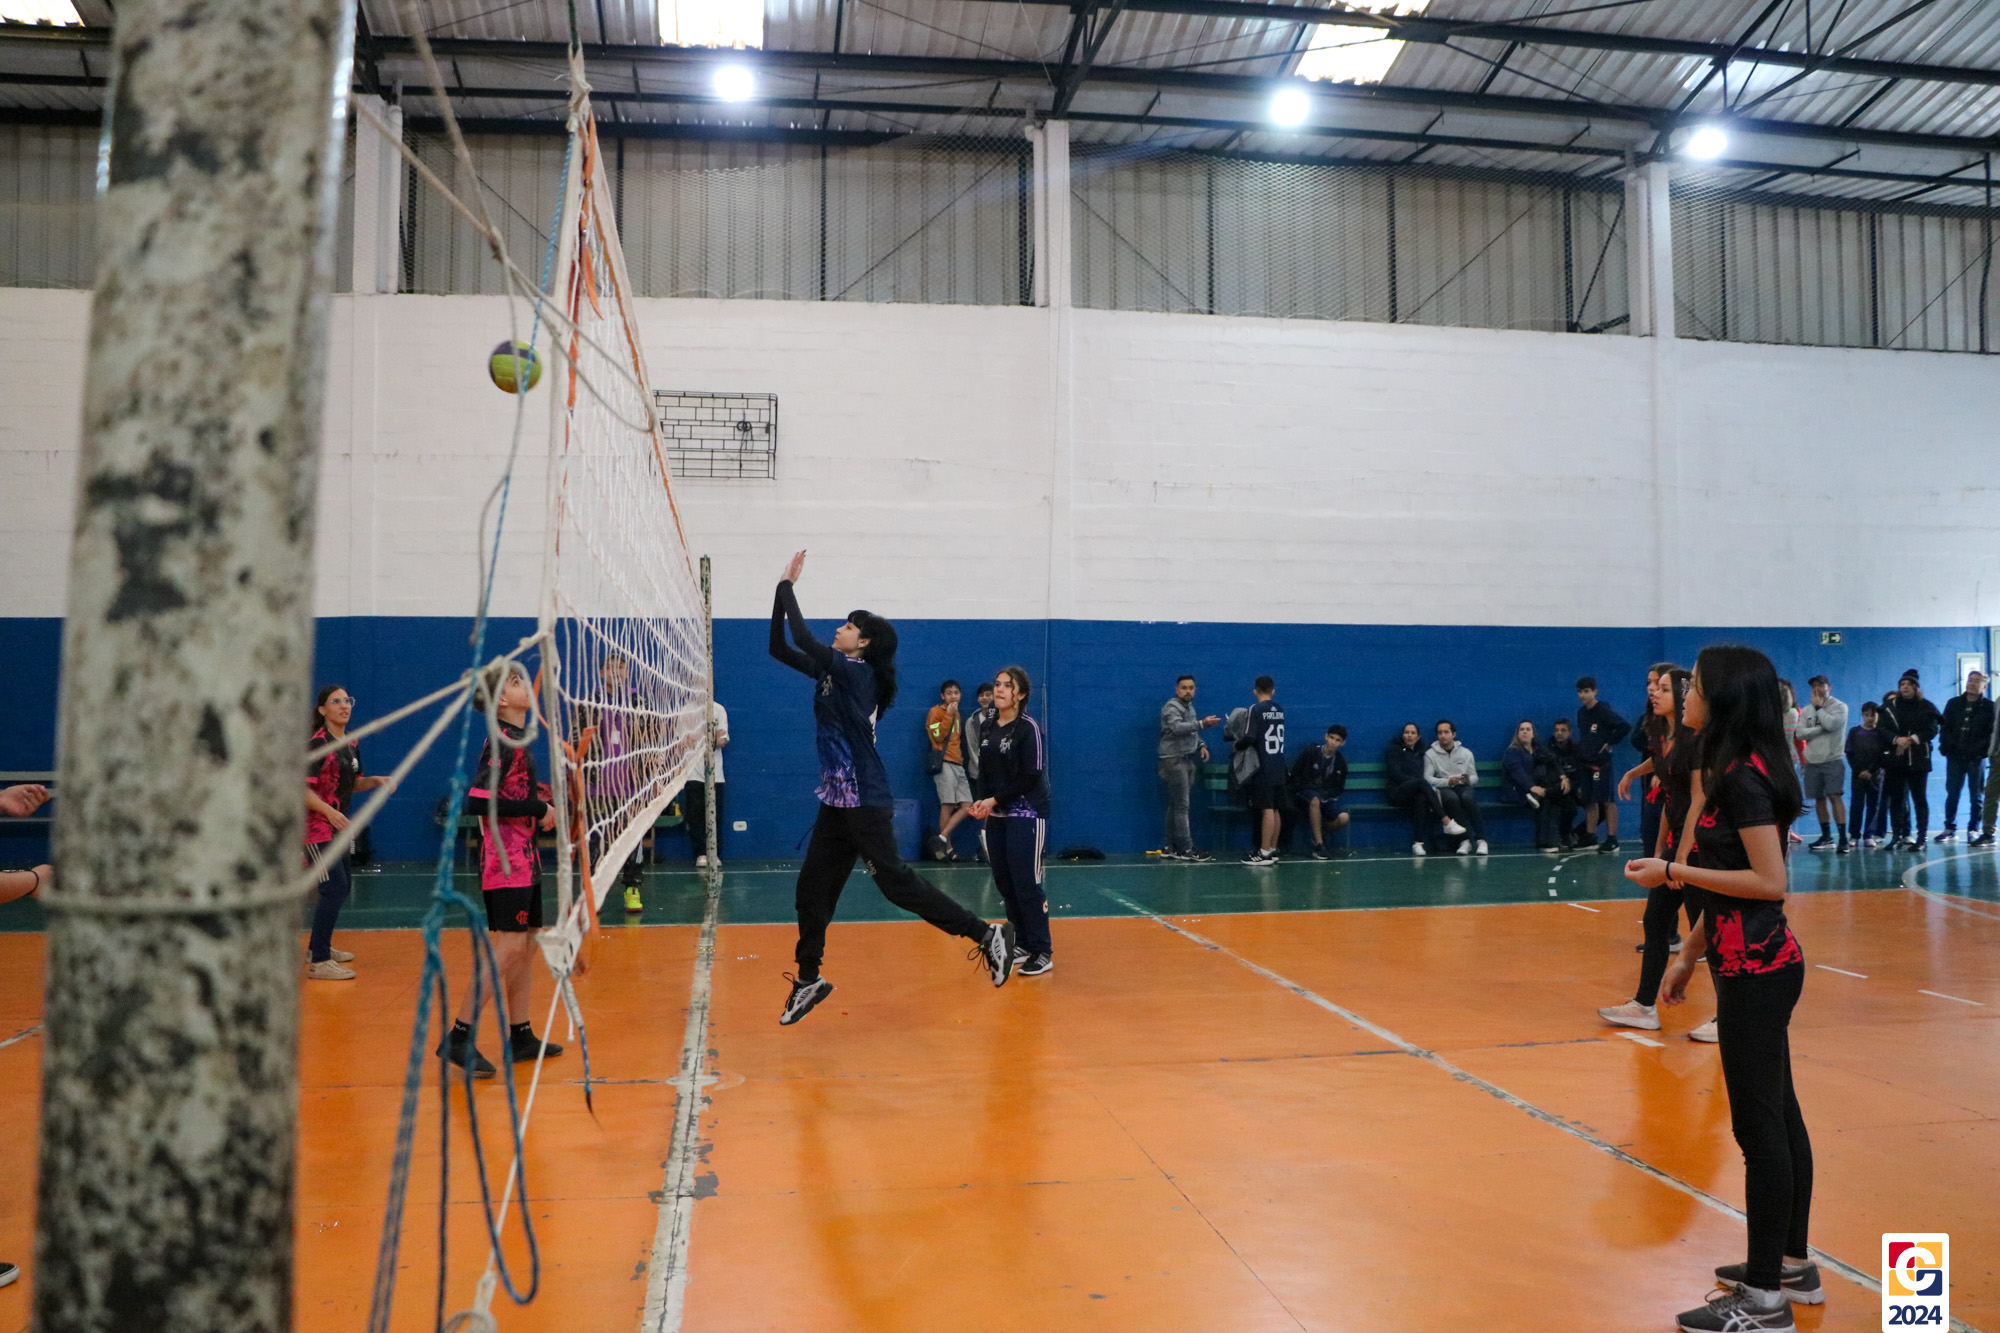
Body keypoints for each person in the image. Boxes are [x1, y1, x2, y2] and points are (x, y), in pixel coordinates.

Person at [1631, 645, 1814, 1332]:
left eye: (1696, 687)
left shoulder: (1741, 778)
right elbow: (1734, 889)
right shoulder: (1736, 764)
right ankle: (1791, 1264)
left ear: (1724, 698)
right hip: (1745, 963)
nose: (1685, 694)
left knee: (1759, 1130)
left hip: (1759, 972)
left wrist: (1674, 873)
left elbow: (1768, 882)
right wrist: (1687, 957)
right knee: (1779, 1116)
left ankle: (1765, 1300)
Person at [768, 551, 1014, 1026]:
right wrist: (780, 596)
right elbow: (779, 647)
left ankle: (987, 936)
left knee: (896, 884)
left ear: (863, 643)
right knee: (811, 890)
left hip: (863, 797)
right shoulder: (832, 673)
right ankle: (809, 978)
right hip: (836, 801)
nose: (839, 629)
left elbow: (801, 637)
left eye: (847, 626)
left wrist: (786, 585)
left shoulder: (857, 673)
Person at [438, 662, 564, 1077]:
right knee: (509, 947)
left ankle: (521, 1036)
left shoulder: (518, 740)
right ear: (502, 700)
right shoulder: (502, 741)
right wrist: (537, 807)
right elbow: (477, 800)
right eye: (514, 681)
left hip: (526, 858)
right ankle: (459, 1036)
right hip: (505, 861)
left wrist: (539, 805)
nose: (524, 684)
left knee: (526, 944)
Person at [1599, 667, 1711, 1036]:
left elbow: (1698, 798)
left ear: (1682, 694)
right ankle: (1644, 1006)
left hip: (1699, 847)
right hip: (1676, 846)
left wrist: (1680, 859)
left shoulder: (1696, 739)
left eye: (1662, 688)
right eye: (1652, 686)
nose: (1653, 693)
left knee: (1706, 931)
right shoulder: (1662, 734)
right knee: (1655, 922)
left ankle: (1730, 1018)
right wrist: (1663, 851)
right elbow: (1669, 794)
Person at [303, 685, 394, 980]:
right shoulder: (317, 744)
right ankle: (319, 961)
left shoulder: (351, 744)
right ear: (322, 710)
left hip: (336, 827)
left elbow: (353, 784)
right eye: (336, 702)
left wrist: (375, 781)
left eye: (347, 701)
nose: (344, 706)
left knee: (342, 886)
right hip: (314, 829)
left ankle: (319, 947)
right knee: (333, 887)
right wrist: (328, 811)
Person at [968, 666, 1052, 976]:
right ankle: (1023, 942)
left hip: (1026, 814)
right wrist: (982, 800)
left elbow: (1031, 776)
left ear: (1021, 694)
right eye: (997, 684)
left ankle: (1042, 949)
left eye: (1007, 685)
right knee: (1005, 883)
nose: (999, 690)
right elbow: (984, 770)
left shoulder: (1029, 729)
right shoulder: (988, 725)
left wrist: (995, 800)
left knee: (1026, 882)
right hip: (997, 815)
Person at [581, 654, 652, 915]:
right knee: (596, 842)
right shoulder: (591, 701)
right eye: (610, 667)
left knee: (632, 840)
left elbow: (650, 740)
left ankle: (632, 889)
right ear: (601, 673)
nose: (616, 671)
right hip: (597, 786)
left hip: (631, 786)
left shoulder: (638, 701)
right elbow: (579, 740)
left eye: (621, 667)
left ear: (627, 672)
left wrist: (650, 776)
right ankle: (594, 893)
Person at [1620, 664, 1681, 864]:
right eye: (1650, 683)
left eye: (1662, 687)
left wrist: (1664, 772)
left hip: (1681, 809)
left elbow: (1697, 794)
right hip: (1660, 802)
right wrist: (1632, 773)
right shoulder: (1655, 720)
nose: (1652, 689)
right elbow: (1658, 757)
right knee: (1653, 851)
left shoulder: (1690, 729)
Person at [1158, 675, 1221, 863]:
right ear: (1177, 690)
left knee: (1176, 804)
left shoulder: (1190, 707)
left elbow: (1191, 731)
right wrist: (1202, 723)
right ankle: (1187, 849)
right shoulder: (1171, 708)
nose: (1188, 691)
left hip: (1186, 758)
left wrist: (1201, 745)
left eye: (1191, 688)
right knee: (1182, 806)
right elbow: (1177, 728)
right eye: (1184, 688)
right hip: (1173, 760)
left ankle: (1169, 847)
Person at [1879, 669, 1940, 851]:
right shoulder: (1889, 706)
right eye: (1902, 684)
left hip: (1918, 760)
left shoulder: (1926, 706)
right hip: (1896, 759)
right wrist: (1896, 739)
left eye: (1908, 684)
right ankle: (1897, 836)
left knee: (1919, 799)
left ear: (1915, 687)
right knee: (1896, 799)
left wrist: (1912, 739)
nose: (1904, 687)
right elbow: (1882, 728)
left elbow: (1932, 729)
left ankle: (1921, 838)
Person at [1793, 676, 1849, 854]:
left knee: (1835, 796)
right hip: (1812, 761)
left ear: (1829, 687)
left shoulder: (1840, 707)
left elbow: (1831, 725)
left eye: (1820, 685)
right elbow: (1800, 733)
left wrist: (1819, 708)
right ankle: (1826, 837)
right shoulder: (1807, 710)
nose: (1816, 689)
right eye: (1813, 687)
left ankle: (1843, 839)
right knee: (1819, 799)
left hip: (1832, 759)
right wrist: (1819, 729)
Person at [1575, 676, 1631, 853]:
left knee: (1607, 800)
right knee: (1589, 801)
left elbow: (1624, 726)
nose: (1582, 695)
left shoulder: (1603, 711)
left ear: (1594, 692)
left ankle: (1612, 839)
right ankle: (1590, 837)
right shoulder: (1581, 713)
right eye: (1580, 692)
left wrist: (1609, 742)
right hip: (1586, 762)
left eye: (1586, 691)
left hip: (1601, 763)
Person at [1236, 676, 1287, 866]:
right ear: (1273, 691)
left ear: (1255, 691)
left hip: (1263, 764)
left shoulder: (1255, 709)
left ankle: (1264, 852)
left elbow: (1250, 736)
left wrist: (1237, 746)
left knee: (1267, 808)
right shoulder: (1279, 710)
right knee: (1275, 808)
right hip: (1279, 764)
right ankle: (1272, 849)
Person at [1936, 670, 1992, 844]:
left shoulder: (1989, 707)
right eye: (1970, 680)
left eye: (1977, 681)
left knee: (1976, 796)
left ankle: (1973, 829)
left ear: (1984, 686)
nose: (1972, 684)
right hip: (1955, 757)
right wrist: (1946, 747)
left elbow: (1991, 733)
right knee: (1952, 793)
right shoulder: (1953, 703)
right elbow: (1944, 727)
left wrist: (1982, 751)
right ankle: (1949, 828)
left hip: (1976, 758)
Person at [1501, 720, 1570, 852]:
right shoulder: (1512, 752)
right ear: (1517, 734)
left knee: (1557, 800)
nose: (1525, 732)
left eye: (1528, 729)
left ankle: (1556, 839)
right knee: (1547, 801)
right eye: (1522, 729)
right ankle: (1545, 842)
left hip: (1537, 791)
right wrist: (1532, 788)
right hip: (1518, 792)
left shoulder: (1539, 749)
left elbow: (1553, 760)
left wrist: (1563, 776)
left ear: (1533, 734)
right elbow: (1517, 773)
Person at [1385, 721, 1449, 856]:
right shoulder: (1394, 751)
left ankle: (1418, 843)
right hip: (1396, 793)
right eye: (1406, 732)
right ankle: (1445, 820)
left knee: (1421, 798)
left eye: (1413, 733)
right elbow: (1395, 774)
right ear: (1403, 735)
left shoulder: (1422, 754)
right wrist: (1416, 783)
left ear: (1418, 737)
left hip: (1416, 793)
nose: (1409, 735)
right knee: (1421, 783)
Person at [1423, 720, 1486, 855]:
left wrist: (1468, 780)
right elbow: (1428, 779)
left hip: (1463, 787)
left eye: (1446, 732)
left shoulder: (1466, 753)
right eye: (1440, 733)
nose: (1443, 735)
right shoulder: (1430, 754)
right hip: (1444, 788)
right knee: (1451, 799)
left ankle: (1481, 840)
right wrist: (1447, 782)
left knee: (1468, 798)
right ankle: (1465, 841)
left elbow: (1474, 777)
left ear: (1453, 734)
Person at [925, 680, 972, 861]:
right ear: (942, 696)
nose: (953, 696)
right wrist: (949, 715)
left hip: (958, 763)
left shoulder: (958, 714)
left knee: (967, 806)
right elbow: (937, 736)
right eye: (949, 693)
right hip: (944, 763)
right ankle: (948, 850)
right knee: (948, 805)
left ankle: (941, 838)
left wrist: (953, 714)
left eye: (956, 693)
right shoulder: (935, 712)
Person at [1289, 724, 1349, 858]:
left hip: (1327, 797)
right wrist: (1303, 788)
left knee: (1344, 818)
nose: (1333, 742)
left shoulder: (1340, 762)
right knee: (1315, 800)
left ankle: (1319, 832)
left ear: (1342, 743)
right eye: (1331, 738)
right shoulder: (1311, 752)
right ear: (1326, 737)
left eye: (1337, 740)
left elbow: (1339, 788)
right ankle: (1319, 845)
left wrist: (1327, 796)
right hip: (1305, 793)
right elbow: (1295, 774)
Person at [684, 699, 731, 871]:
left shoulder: (718, 709)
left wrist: (699, 737)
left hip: (715, 774)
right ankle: (701, 853)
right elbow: (685, 742)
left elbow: (722, 741)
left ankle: (714, 853)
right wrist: (711, 737)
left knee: (715, 815)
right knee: (695, 815)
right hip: (693, 774)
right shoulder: (686, 711)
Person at [1845, 702, 1889, 849]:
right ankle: (1854, 835)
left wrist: (1871, 771)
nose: (1870, 718)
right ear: (1862, 715)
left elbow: (1883, 755)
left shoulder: (1881, 733)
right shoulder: (1854, 732)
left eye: (1873, 715)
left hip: (1876, 776)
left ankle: (1869, 835)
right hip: (1858, 776)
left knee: (1874, 806)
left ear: (1877, 716)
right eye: (1866, 715)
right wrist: (1859, 771)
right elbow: (1850, 753)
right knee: (1856, 805)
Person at [962, 682, 997, 864]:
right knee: (984, 811)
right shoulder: (972, 721)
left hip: (998, 775)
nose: (985, 698)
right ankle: (986, 849)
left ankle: (995, 848)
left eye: (988, 695)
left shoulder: (1000, 718)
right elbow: (972, 748)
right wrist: (984, 771)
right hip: (979, 775)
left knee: (997, 811)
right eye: (982, 695)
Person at [1545, 718, 1585, 848]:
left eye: (1563, 730)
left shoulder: (1576, 750)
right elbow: (1550, 772)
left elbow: (1581, 771)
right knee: (1570, 808)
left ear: (1569, 732)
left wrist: (1574, 785)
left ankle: (1578, 833)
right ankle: (1564, 835)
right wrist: (1563, 782)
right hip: (1557, 789)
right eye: (1556, 730)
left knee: (1598, 807)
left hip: (1575, 787)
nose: (1559, 733)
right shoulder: (1548, 751)